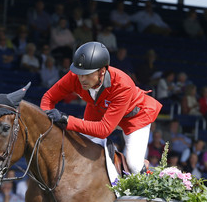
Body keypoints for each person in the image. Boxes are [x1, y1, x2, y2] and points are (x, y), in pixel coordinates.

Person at [40, 42, 162, 174]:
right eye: (80, 73)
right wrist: (46, 121)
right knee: (76, 144)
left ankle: (148, 171)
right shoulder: (76, 75)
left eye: (87, 74)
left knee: (134, 166)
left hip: (134, 117)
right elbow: (48, 98)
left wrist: (66, 119)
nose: (81, 79)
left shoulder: (122, 85)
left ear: (102, 71)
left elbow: (103, 130)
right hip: (100, 109)